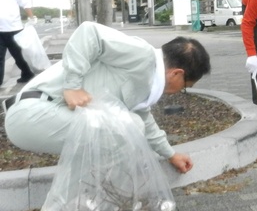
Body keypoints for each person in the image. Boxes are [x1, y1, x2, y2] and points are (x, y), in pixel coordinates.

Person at [4, 21, 211, 173]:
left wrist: (170, 154)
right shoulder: (142, 54)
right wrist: (72, 86)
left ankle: (69, 209)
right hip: (32, 112)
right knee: (129, 128)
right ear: (177, 73)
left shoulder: (146, 82)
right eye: (184, 87)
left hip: (42, 114)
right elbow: (89, 32)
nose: (178, 92)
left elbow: (147, 122)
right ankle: (91, 205)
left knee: (112, 136)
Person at [0, 0, 37, 86]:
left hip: (14, 29)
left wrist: (31, 17)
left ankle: (27, 74)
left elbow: (25, 3)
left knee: (19, 56)